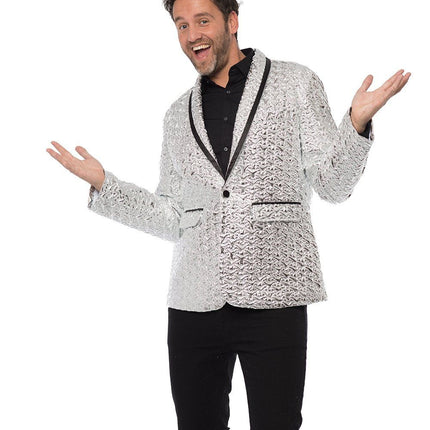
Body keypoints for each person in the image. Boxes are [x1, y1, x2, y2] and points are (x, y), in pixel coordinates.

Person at [46, 0, 411, 428]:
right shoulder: (176, 115)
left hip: (274, 296)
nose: (192, 35)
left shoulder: (295, 83)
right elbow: (171, 216)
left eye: (203, 20)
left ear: (232, 21)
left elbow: (332, 185)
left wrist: (355, 126)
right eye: (182, 25)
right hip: (193, 304)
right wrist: (106, 185)